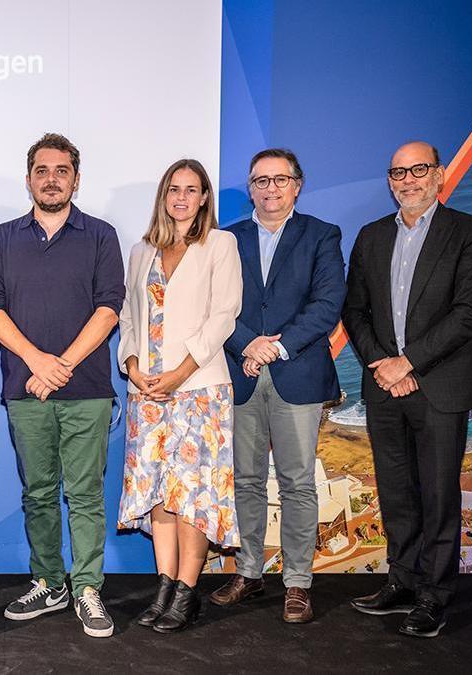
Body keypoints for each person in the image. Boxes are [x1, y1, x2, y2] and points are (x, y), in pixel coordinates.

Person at [342, 141, 472, 638]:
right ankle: (402, 581)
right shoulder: (370, 237)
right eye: (398, 172)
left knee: (437, 493)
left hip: (439, 386)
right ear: (389, 181)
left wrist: (409, 363)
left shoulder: (470, 233)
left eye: (419, 169)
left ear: (440, 175)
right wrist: (384, 366)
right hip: (384, 386)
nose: (408, 180)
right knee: (397, 492)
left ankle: (435, 593)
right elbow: (355, 312)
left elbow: (469, 314)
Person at [0, 133, 125, 638]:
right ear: (29, 179)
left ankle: (87, 588)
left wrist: (61, 364)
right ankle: (49, 581)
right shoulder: (2, 237)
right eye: (42, 170)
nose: (51, 178)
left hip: (86, 389)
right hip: (27, 388)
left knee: (84, 495)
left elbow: (109, 307)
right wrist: (38, 361)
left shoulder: (102, 236)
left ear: (76, 179)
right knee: (38, 493)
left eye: (61, 170)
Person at [208, 149, 346, 623]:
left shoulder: (322, 235)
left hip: (298, 373)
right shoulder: (225, 239)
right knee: (245, 480)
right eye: (260, 180)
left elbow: (328, 305)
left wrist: (277, 347)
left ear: (297, 185)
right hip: (240, 373)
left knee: (297, 483)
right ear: (250, 188)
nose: (270, 188)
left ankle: (299, 583)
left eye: (280, 179)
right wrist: (249, 345)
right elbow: (217, 308)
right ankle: (248, 571)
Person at [117, 158, 242, 633]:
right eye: (174, 189)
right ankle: (165, 585)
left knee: (193, 495)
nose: (182, 197)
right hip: (146, 390)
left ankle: (188, 592)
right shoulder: (141, 250)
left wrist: (179, 372)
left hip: (199, 389)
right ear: (163, 196)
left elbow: (224, 315)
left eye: (192, 189)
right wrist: (132, 366)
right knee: (158, 496)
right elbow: (130, 318)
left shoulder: (220, 244)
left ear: (204, 197)